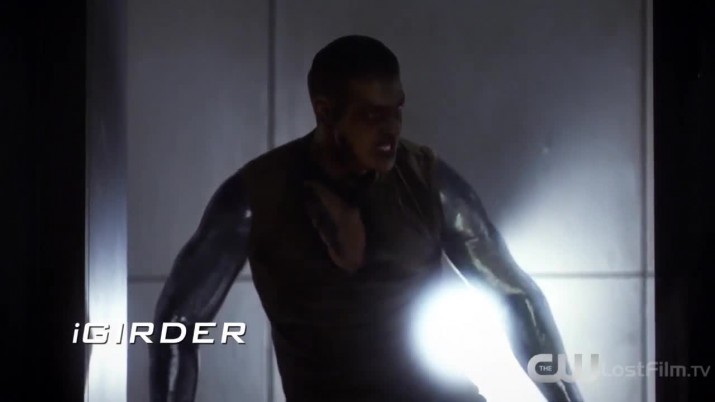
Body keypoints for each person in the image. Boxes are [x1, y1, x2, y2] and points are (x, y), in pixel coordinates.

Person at [149, 35, 584, 402]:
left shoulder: (428, 182)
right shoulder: (255, 197)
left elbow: (516, 297)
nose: (390, 129)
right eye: (372, 115)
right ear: (324, 112)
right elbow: (175, 325)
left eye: (396, 110)